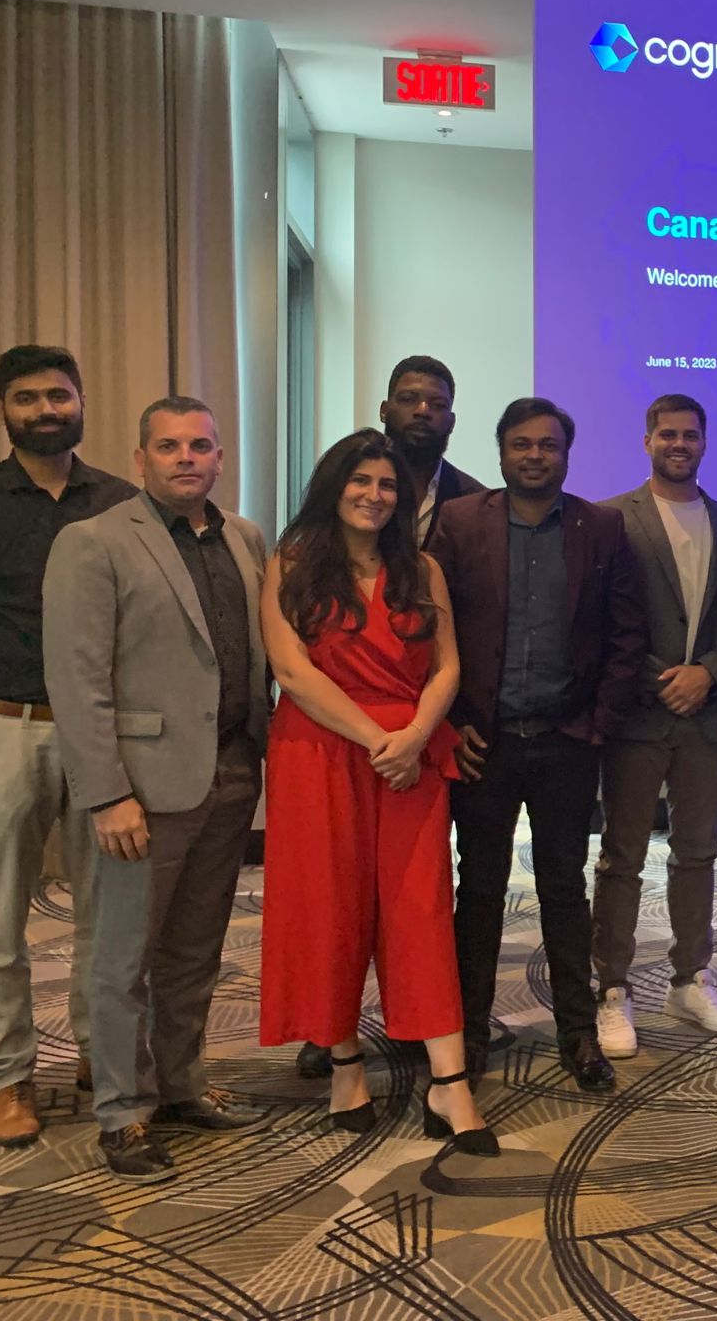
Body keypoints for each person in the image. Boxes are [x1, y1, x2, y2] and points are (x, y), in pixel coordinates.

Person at [43, 397, 272, 1182]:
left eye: (201, 445)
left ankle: (179, 1084)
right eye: (169, 446)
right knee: (121, 959)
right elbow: (78, 682)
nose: (187, 458)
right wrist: (105, 793)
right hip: (141, 789)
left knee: (195, 952)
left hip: (233, 773)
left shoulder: (244, 537)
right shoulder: (94, 541)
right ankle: (122, 1111)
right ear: (140, 458)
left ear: (219, 456)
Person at [257, 430, 493, 1156]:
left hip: (411, 760)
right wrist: (376, 739)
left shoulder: (421, 567)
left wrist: (418, 734)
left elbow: (449, 666)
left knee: (419, 910)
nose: (374, 495)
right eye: (360, 480)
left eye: (387, 485)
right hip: (320, 754)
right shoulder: (291, 565)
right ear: (334, 485)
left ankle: (449, 1082)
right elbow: (292, 673)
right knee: (331, 904)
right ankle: (345, 1063)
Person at [0, 345, 135, 1147]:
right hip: (2, 731)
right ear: (2, 408)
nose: (46, 410)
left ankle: (97, 1050)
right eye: (28, 398)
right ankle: (7, 1078)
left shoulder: (122, 505)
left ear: (82, 401)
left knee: (107, 912)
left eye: (59, 395)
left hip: (105, 737)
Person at [428, 398, 644, 1092]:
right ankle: (468, 1028)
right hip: (480, 742)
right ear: (500, 451)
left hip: (565, 741)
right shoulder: (460, 522)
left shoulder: (600, 526)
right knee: (480, 888)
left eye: (548, 445)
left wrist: (596, 726)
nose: (534, 456)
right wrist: (449, 722)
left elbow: (626, 637)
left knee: (564, 891)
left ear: (565, 453)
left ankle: (579, 1034)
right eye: (521, 444)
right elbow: (430, 628)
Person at [592, 394, 717, 1058]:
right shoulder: (611, 520)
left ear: (705, 442)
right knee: (622, 856)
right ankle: (613, 988)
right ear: (647, 440)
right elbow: (602, 617)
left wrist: (709, 674)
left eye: (690, 434)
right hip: (637, 712)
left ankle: (689, 979)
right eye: (667, 434)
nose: (678, 443)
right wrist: (664, 677)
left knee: (698, 852)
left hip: (707, 715)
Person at [381, 355, 487, 549]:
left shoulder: (474, 501)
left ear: (452, 422)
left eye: (438, 405)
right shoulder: (349, 488)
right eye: (408, 399)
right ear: (384, 411)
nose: (423, 411)